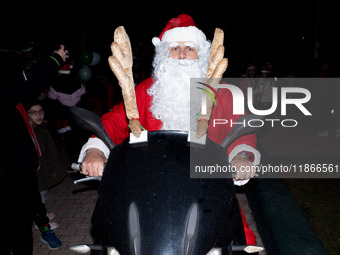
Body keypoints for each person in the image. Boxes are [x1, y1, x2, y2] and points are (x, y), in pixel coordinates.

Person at [78, 14, 260, 245]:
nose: (182, 54)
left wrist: (242, 157)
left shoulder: (223, 94)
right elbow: (115, 120)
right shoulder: (145, 91)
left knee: (239, 243)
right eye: (174, 48)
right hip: (148, 188)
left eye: (189, 48)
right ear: (165, 54)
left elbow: (240, 131)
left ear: (201, 54)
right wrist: (95, 150)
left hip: (207, 190)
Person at [0, 44, 68, 254]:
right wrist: (56, 59)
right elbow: (25, 83)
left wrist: (31, 157)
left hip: (18, 168)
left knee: (25, 214)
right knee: (18, 227)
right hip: (10, 173)